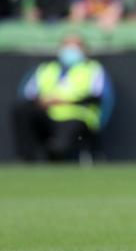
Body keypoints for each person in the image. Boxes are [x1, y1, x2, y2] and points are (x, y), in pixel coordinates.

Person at [12, 34, 108, 162]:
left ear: (85, 49)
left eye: (76, 46)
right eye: (67, 45)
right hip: (47, 114)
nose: (70, 50)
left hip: (75, 116)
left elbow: (96, 97)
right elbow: (29, 94)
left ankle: (55, 150)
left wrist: (65, 101)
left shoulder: (93, 69)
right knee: (22, 110)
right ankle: (25, 157)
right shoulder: (46, 69)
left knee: (59, 149)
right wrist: (42, 102)